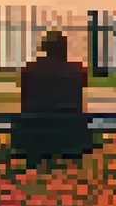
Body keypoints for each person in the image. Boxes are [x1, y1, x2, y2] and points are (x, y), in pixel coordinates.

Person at [16, 30, 92, 160]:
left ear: (44, 48)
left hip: (34, 134)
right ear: (64, 49)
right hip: (71, 136)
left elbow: (25, 100)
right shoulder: (78, 70)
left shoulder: (29, 69)